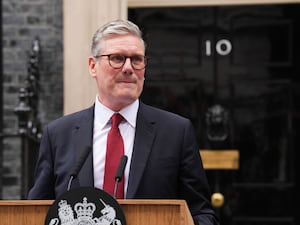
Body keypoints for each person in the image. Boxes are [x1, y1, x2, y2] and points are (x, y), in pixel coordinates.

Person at [28, 19, 218, 225]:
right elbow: (36, 212)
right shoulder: (58, 134)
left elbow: (202, 214)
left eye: (136, 59)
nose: (128, 68)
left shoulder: (176, 132)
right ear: (93, 66)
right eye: (117, 58)